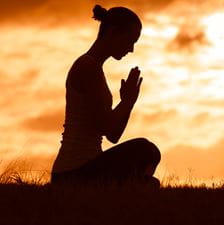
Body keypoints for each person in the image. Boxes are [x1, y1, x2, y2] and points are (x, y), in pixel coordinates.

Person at [51, 5, 161, 187]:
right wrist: (126, 102)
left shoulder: (95, 69)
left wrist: (129, 102)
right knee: (146, 149)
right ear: (112, 32)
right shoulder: (87, 67)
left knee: (149, 174)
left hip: (87, 167)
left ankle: (136, 186)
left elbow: (114, 136)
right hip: (73, 172)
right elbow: (107, 127)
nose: (131, 49)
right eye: (129, 40)